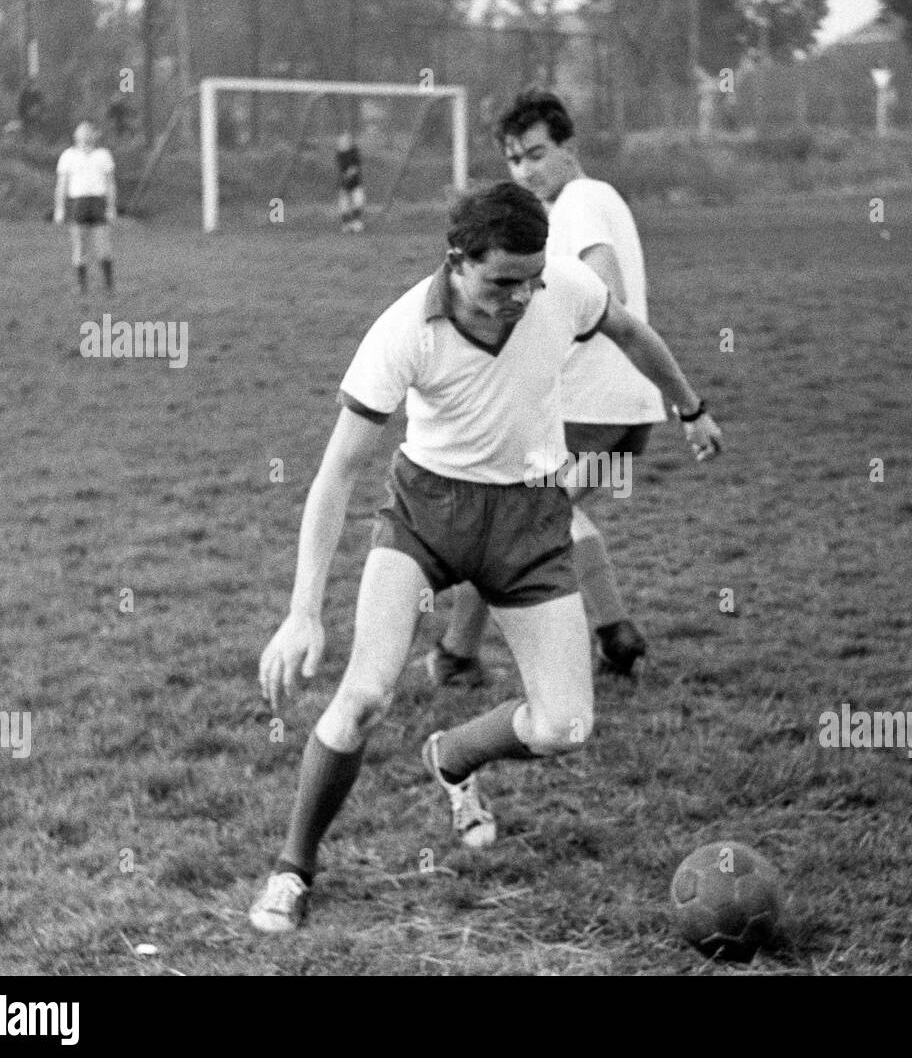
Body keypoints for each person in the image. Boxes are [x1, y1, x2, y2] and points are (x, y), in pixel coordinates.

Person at [248, 182, 722, 932]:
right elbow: (337, 472)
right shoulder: (405, 329)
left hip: (530, 519)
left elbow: (629, 331)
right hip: (425, 516)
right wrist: (303, 609)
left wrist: (689, 406)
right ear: (457, 263)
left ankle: (454, 756)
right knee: (366, 695)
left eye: (533, 277)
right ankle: (293, 867)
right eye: (504, 281)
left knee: (566, 725)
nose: (524, 296)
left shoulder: (558, 285)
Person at [430, 90, 665, 688]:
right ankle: (469, 653)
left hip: (590, 404)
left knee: (518, 514)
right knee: (526, 515)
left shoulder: (580, 201)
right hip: (628, 407)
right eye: (513, 160)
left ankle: (467, 654)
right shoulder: (600, 196)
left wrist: (538, 347)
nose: (524, 172)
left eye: (536, 155)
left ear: (568, 147)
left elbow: (606, 289)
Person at [53, 122, 117, 295]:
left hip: (97, 203)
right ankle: (82, 287)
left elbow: (110, 184)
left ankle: (109, 286)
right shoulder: (68, 156)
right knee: (79, 247)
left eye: (88, 132)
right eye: (82, 132)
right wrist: (59, 208)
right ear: (76, 136)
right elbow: (62, 184)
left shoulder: (103, 155)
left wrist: (111, 207)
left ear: (94, 135)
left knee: (103, 247)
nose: (85, 135)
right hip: (78, 204)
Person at [335, 133, 365, 233]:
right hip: (345, 184)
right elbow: (344, 171)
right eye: (341, 142)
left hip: (356, 183)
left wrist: (352, 172)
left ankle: (356, 222)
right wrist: (346, 177)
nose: (343, 144)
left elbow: (355, 168)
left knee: (358, 200)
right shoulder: (340, 155)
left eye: (346, 141)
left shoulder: (354, 152)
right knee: (344, 204)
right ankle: (346, 223)